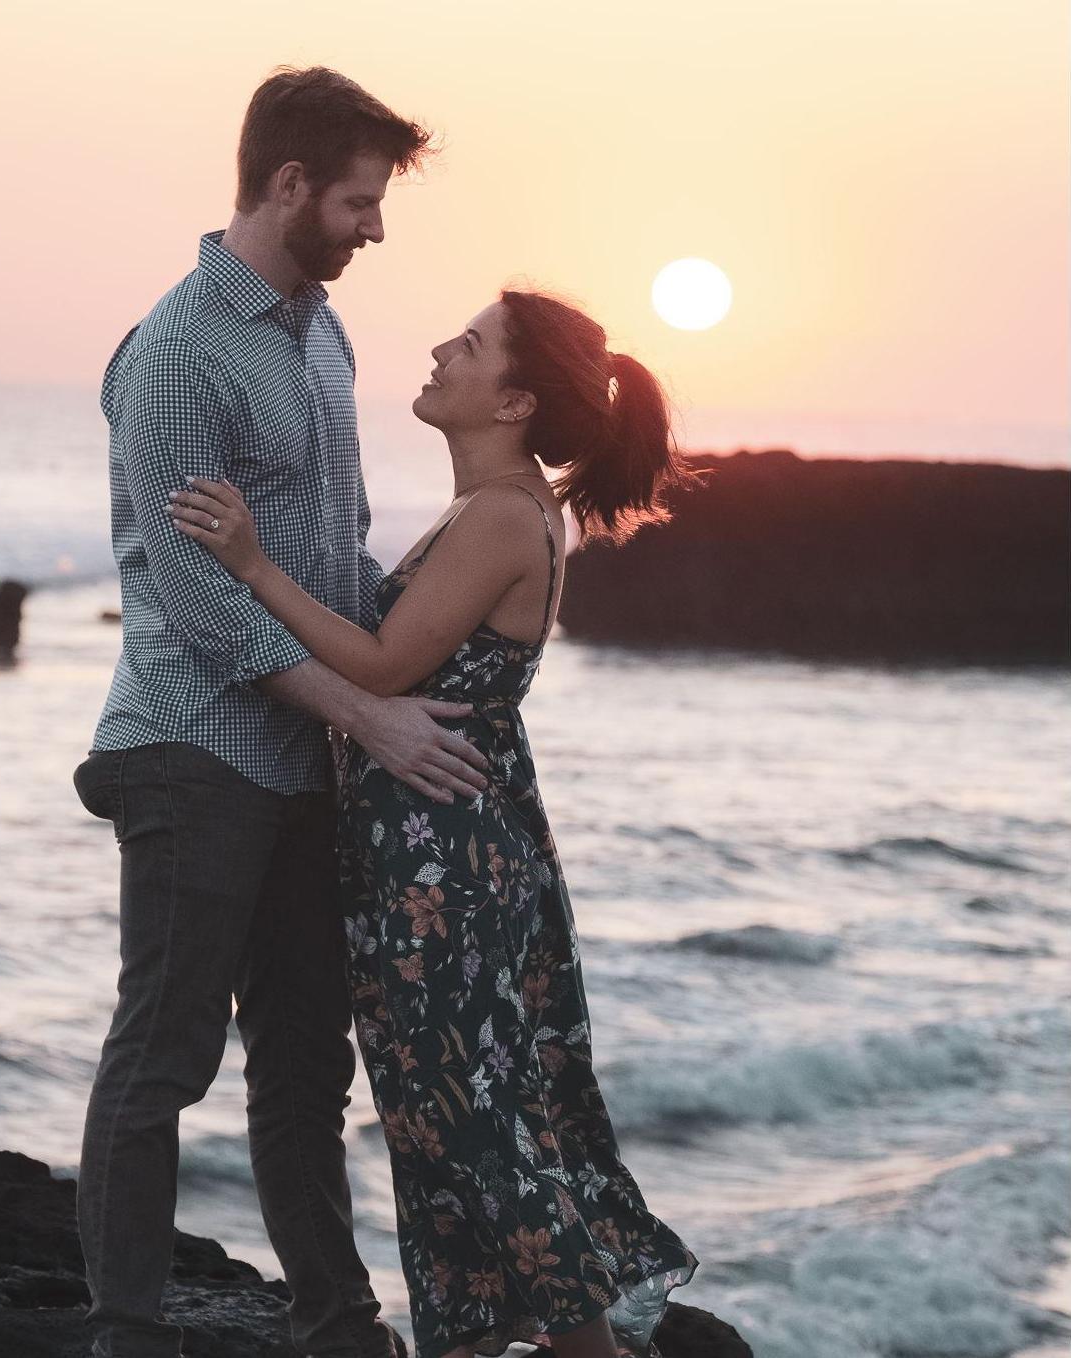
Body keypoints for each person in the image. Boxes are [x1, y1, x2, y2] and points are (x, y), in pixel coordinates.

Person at [169, 289, 703, 1358]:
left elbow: (380, 667)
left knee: (468, 1115)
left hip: (444, 864)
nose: (438, 349)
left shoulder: (504, 514)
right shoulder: (489, 509)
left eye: (469, 343)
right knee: (437, 1113)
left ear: (512, 401)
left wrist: (252, 564)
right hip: (435, 851)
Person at [72, 66, 492, 1358]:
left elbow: (327, 556)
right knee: (164, 1051)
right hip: (190, 747)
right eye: (360, 202)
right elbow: (201, 601)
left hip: (307, 758)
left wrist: (450, 641)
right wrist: (368, 716)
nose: (377, 228)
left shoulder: (322, 332)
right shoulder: (178, 350)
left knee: (309, 1063)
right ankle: (125, 1331)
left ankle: (339, 1326)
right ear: (290, 183)